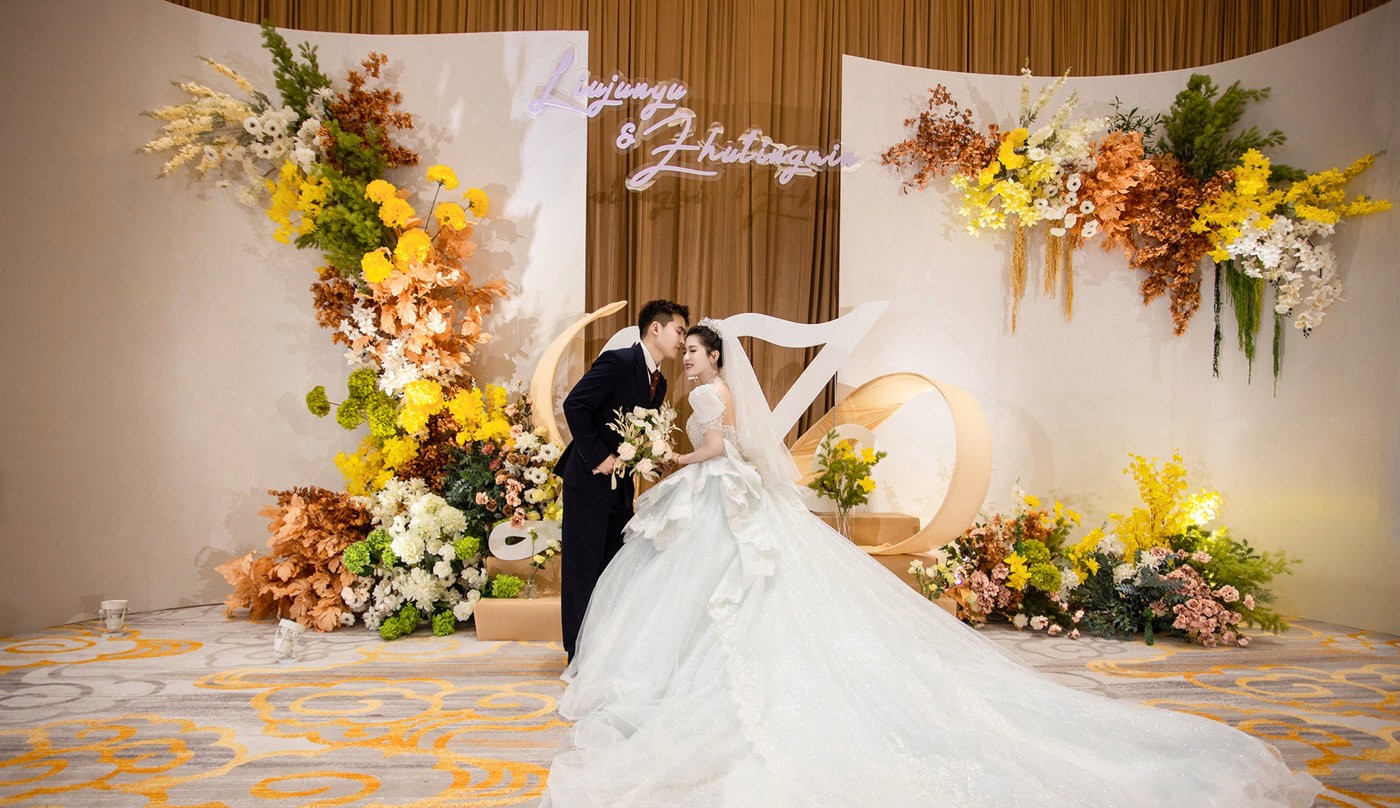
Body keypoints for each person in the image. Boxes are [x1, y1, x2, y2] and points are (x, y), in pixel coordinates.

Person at [539, 317, 1322, 808]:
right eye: (686, 346)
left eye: (696, 348)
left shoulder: (708, 395)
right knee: (706, 581)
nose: (689, 355)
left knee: (712, 583)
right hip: (714, 490)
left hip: (714, 488)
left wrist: (672, 458)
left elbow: (717, 446)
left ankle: (669, 669)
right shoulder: (687, 386)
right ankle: (669, 663)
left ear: (712, 355)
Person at [556, 299, 689, 662]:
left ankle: (601, 651)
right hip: (588, 480)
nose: (682, 340)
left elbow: (636, 434)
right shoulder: (618, 361)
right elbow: (575, 405)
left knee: (613, 569)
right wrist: (600, 457)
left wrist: (650, 458)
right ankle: (576, 655)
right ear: (656, 328)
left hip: (621, 487)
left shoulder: (659, 382)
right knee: (583, 569)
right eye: (679, 331)